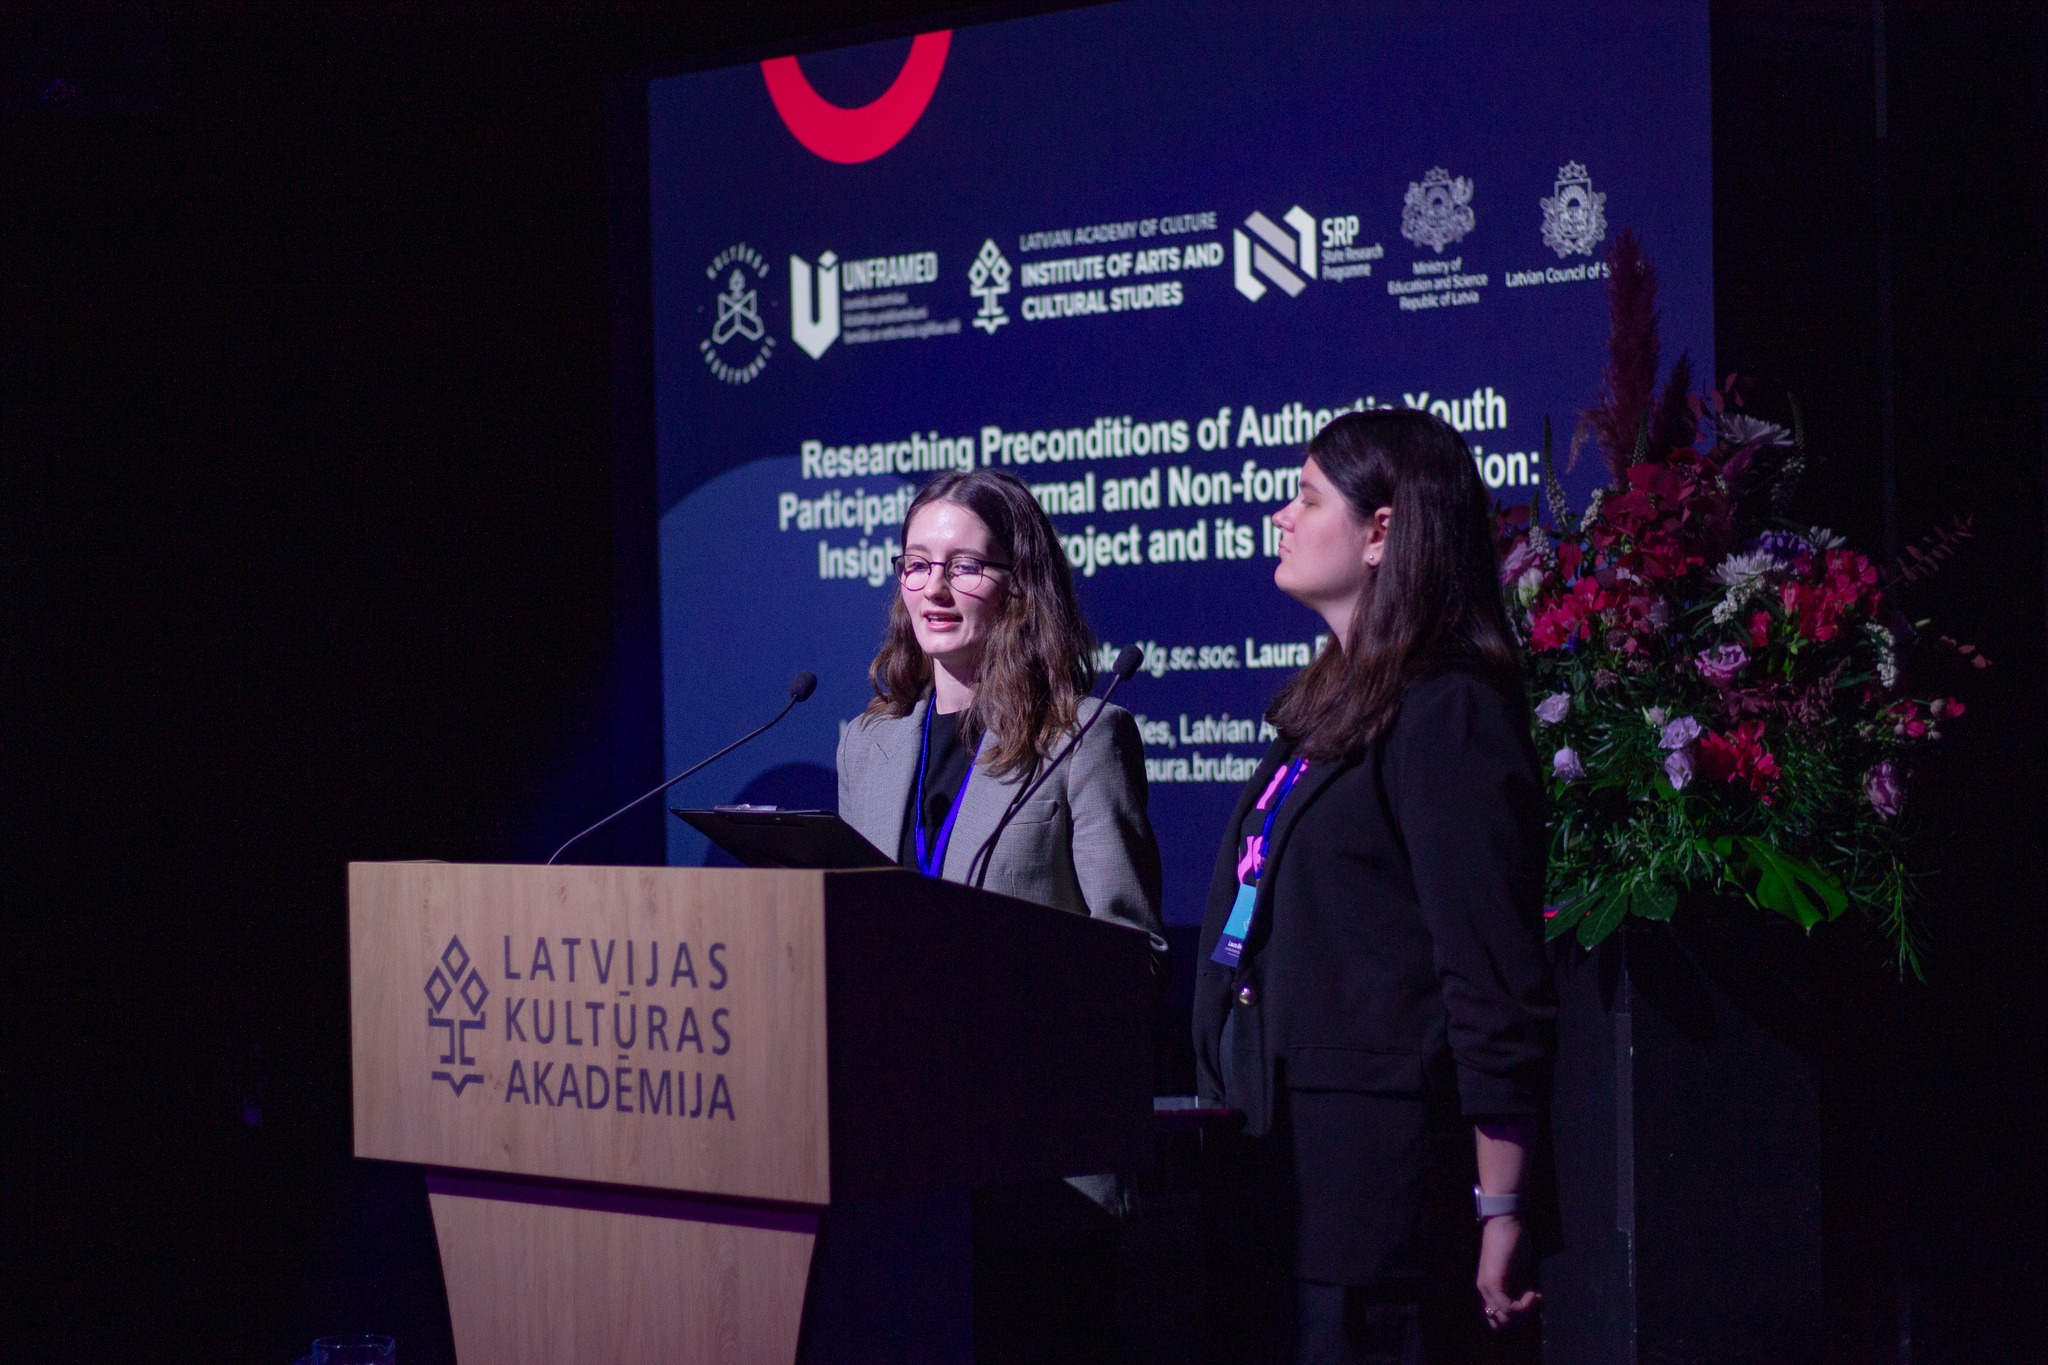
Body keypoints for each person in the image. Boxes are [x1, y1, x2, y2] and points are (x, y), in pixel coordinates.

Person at [1192, 409, 1553, 1364]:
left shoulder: (1449, 710)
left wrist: (1502, 1205)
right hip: (1280, 1182)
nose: (1281, 515)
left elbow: (1491, 977)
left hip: (1377, 1209)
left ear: (1382, 531)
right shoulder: (1329, 703)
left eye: (1307, 498)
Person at [836, 466, 1166, 1363]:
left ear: (1019, 584)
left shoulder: (1084, 739)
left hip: (1035, 1168)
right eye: (916, 563)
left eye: (965, 566)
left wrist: (996, 988)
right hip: (897, 1161)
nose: (934, 589)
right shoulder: (867, 744)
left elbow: (1132, 956)